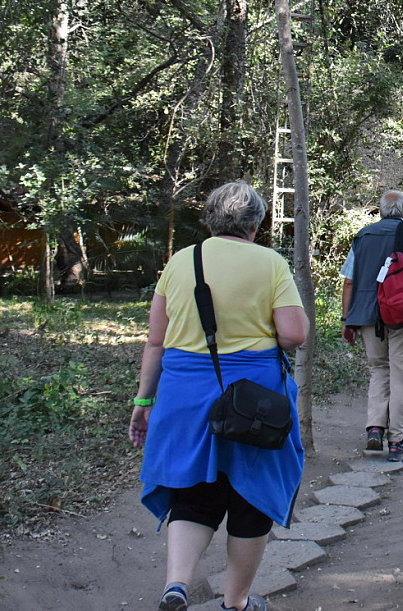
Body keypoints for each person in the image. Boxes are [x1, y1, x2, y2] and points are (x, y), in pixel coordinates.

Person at [129, 182, 309, 611]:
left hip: (184, 395)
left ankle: (176, 585)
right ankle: (236, 602)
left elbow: (156, 341)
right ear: (255, 224)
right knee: (252, 494)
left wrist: (143, 402)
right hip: (254, 399)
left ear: (210, 219)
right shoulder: (269, 262)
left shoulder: (180, 261)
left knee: (193, 490)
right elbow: (293, 334)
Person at [340, 190, 403, 461]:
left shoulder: (363, 235)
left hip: (367, 314)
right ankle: (396, 440)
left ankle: (374, 427)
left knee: (379, 370)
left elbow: (349, 281)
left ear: (380, 211)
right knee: (402, 373)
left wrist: (347, 319)